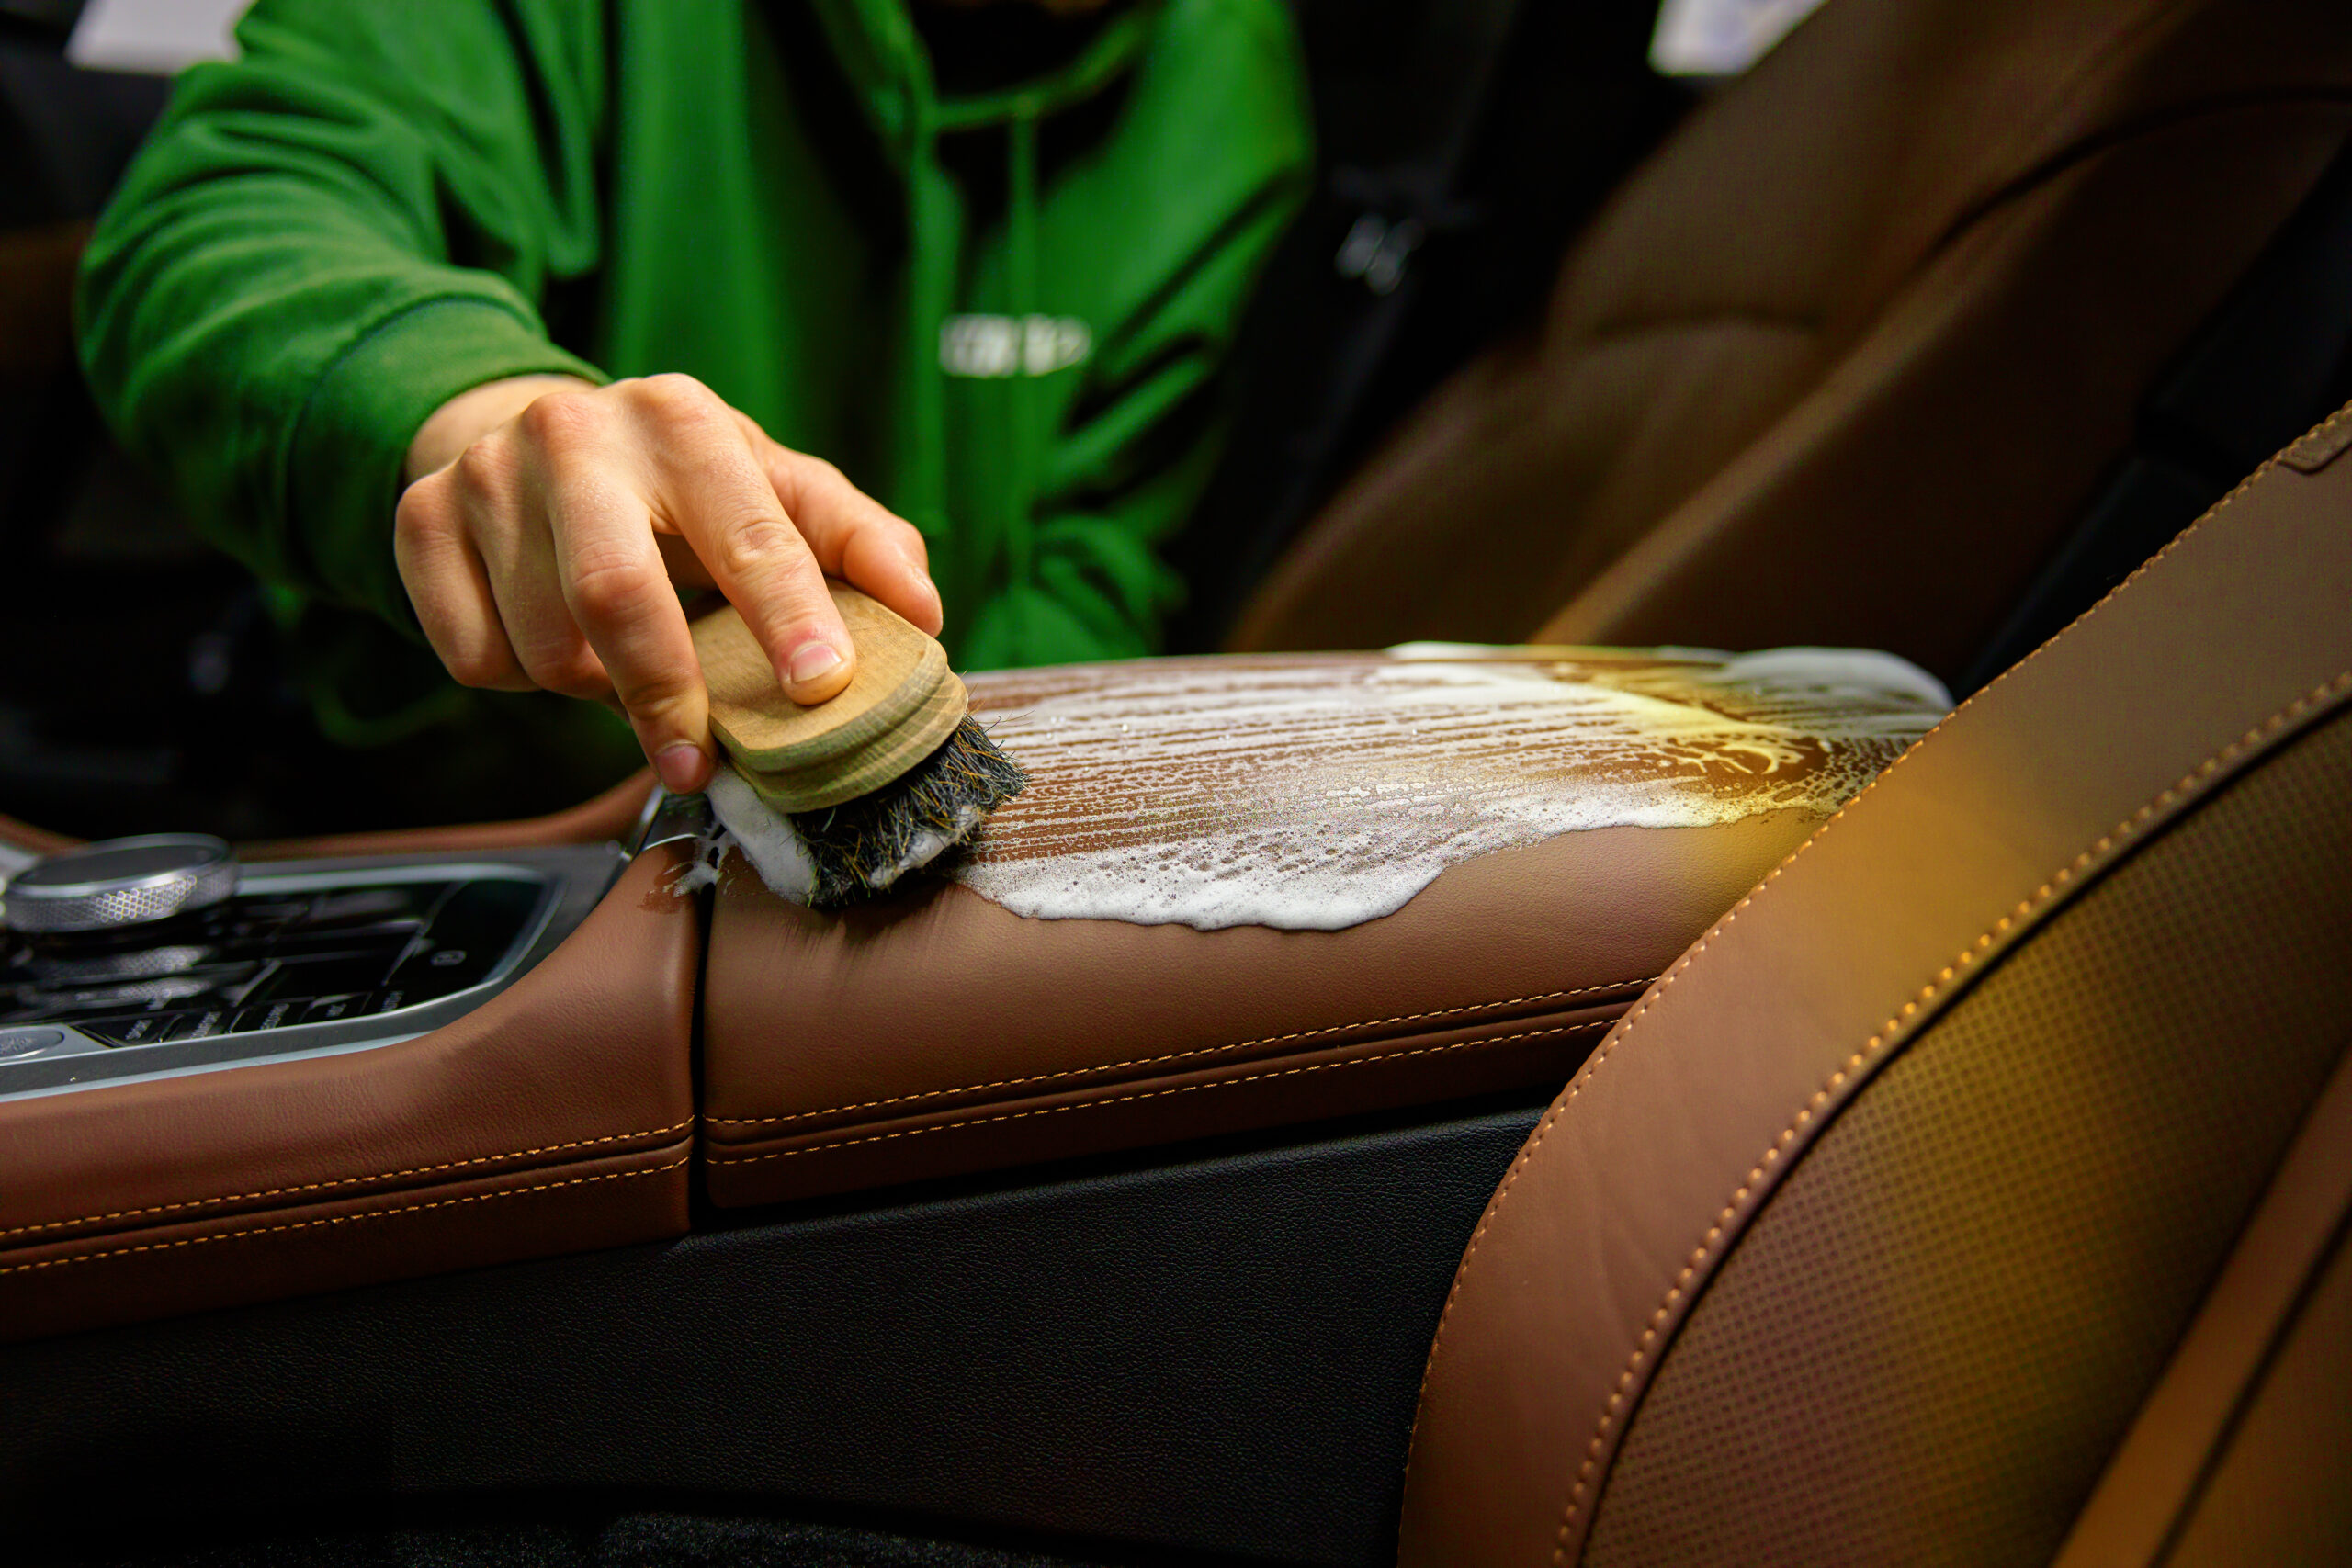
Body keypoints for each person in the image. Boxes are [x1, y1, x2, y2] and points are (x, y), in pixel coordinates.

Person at [77, 0, 1311, 810]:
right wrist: (469, 405)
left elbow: (1108, 555)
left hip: (899, 879)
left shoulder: (1230, 76)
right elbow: (221, 224)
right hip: (472, 837)